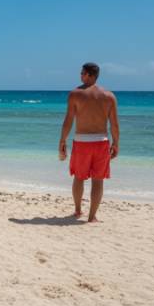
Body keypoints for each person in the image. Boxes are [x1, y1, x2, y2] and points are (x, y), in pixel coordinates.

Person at [58, 62, 120, 223]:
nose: (80, 76)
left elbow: (68, 121)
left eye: (82, 73)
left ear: (89, 75)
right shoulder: (109, 96)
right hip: (101, 142)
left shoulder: (75, 94)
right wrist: (116, 143)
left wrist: (62, 140)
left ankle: (78, 210)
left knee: (79, 177)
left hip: (82, 142)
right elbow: (114, 124)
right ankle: (92, 217)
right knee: (98, 180)